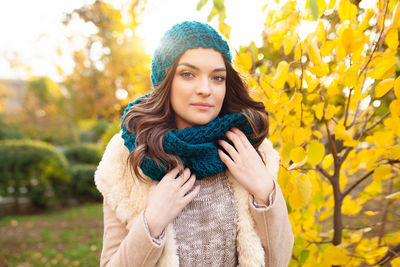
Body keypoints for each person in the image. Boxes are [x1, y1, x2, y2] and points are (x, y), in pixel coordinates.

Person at [94, 21, 294, 267]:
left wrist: (264, 191)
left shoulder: (248, 149)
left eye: (217, 78)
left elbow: (279, 261)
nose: (205, 90)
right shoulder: (129, 156)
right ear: (165, 81)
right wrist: (152, 222)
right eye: (188, 74)